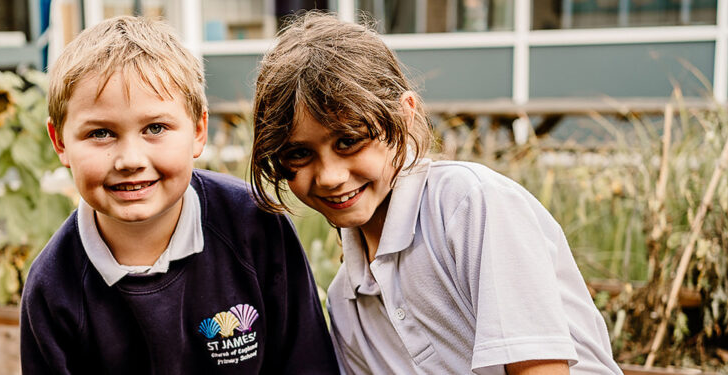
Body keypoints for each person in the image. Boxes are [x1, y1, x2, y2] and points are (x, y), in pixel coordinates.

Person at [249, 12, 623, 375]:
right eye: (299, 153)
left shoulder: (470, 206)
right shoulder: (347, 301)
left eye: (349, 141)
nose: (329, 176)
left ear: (405, 114)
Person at [20, 16, 340, 374]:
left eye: (155, 128)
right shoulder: (52, 288)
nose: (130, 160)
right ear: (60, 141)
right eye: (101, 133)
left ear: (199, 130)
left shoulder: (256, 226)